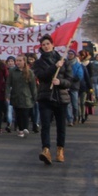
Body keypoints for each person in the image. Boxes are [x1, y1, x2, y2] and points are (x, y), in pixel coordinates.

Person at [33, 34, 72, 165]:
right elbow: (42, 76)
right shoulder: (38, 63)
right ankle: (46, 149)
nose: (46, 46)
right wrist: (55, 67)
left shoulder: (63, 61)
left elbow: (70, 80)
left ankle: (60, 150)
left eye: (47, 44)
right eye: (43, 45)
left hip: (61, 97)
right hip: (45, 97)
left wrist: (60, 81)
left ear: (52, 44)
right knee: (45, 124)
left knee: (61, 125)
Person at [5, 54, 37, 138]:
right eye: (17, 60)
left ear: (24, 61)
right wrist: (7, 94)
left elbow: (33, 86)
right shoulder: (12, 71)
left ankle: (25, 128)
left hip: (26, 96)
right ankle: (20, 129)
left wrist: (35, 96)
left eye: (20, 60)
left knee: (25, 113)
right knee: (18, 113)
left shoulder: (29, 72)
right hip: (16, 95)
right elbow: (8, 84)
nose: (18, 62)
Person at [65, 50, 83, 126]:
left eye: (71, 54)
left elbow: (79, 76)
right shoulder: (64, 64)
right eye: (68, 54)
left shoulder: (77, 65)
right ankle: (70, 120)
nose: (70, 55)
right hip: (66, 86)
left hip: (74, 87)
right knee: (67, 104)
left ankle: (76, 117)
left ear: (74, 55)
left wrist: (70, 78)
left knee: (75, 104)